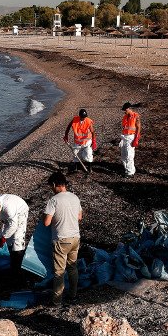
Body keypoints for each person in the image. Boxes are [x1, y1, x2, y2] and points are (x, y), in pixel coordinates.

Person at [43, 172, 82, 305]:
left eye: (51, 186)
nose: (51, 189)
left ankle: (57, 301)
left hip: (61, 239)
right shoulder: (75, 197)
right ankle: (73, 295)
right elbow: (79, 217)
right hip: (75, 237)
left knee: (59, 272)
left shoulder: (53, 200)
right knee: (72, 267)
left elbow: (47, 223)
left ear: (54, 184)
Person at [0, 194, 30, 275]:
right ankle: (9, 258)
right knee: (8, 239)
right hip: (7, 216)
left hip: (20, 210)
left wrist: (4, 237)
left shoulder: (9, 207)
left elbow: (13, 225)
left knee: (17, 237)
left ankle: (19, 263)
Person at [63, 108, 96, 174]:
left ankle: (90, 169)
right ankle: (77, 168)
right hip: (77, 142)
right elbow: (68, 127)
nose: (83, 118)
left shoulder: (88, 121)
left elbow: (92, 132)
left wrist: (94, 141)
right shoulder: (75, 120)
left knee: (88, 155)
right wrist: (66, 135)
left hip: (87, 142)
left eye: (84, 117)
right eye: (82, 117)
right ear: (79, 116)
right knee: (76, 155)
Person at [120, 102, 142, 177]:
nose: (124, 111)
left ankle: (130, 172)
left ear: (129, 108)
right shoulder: (125, 117)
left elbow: (138, 127)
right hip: (124, 137)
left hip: (131, 137)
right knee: (123, 155)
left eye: (125, 110)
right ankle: (126, 169)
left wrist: (136, 138)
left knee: (129, 155)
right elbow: (124, 128)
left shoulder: (136, 116)